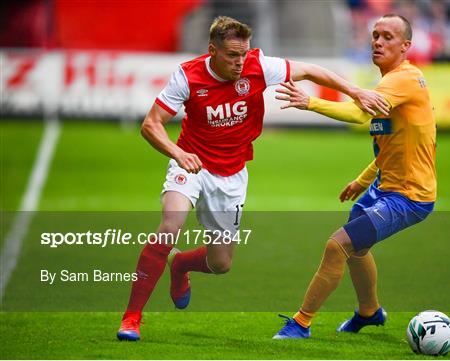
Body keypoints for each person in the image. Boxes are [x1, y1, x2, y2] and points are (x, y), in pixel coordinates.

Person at [117, 15, 389, 341]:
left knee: (221, 263)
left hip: (232, 175)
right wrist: (178, 154)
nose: (240, 62)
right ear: (212, 50)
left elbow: (312, 71)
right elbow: (151, 124)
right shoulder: (188, 76)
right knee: (169, 228)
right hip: (191, 166)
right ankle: (131, 319)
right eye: (232, 55)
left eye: (243, 54)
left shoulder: (258, 66)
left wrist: (355, 91)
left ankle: (180, 266)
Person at [273, 14, 436, 339]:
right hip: (384, 186)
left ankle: (301, 323)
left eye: (388, 37)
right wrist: (363, 181)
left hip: (409, 196)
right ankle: (370, 312)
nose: (377, 41)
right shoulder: (391, 82)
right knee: (357, 248)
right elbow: (391, 144)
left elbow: (358, 113)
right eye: (375, 35)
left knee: (339, 245)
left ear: (406, 46)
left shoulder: (402, 79)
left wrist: (310, 102)